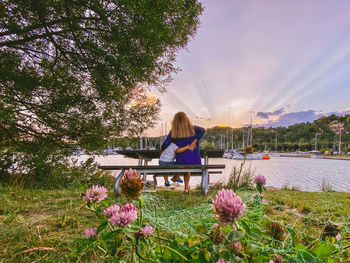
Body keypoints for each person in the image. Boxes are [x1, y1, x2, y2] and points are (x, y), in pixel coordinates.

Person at [161, 112, 205, 194]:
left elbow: (166, 143)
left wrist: (162, 150)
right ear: (186, 119)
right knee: (187, 168)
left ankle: (176, 176)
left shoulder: (174, 131)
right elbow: (203, 130)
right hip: (193, 159)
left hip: (180, 159)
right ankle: (186, 189)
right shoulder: (193, 128)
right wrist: (196, 140)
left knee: (180, 162)